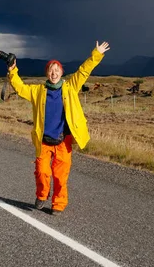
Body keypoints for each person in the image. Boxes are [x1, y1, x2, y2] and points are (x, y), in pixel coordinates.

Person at [7, 41, 111, 215]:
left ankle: (58, 204)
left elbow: (84, 71)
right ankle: (42, 195)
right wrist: (12, 71)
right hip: (44, 140)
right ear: (47, 73)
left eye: (57, 70)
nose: (54, 72)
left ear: (62, 72)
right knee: (41, 171)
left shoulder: (70, 88)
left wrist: (97, 53)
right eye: (50, 70)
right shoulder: (38, 91)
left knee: (60, 176)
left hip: (63, 140)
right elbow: (20, 88)